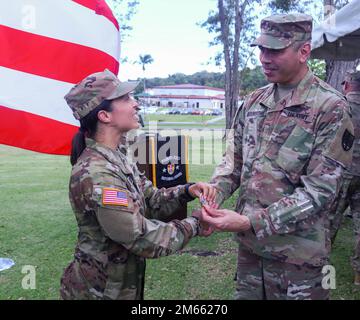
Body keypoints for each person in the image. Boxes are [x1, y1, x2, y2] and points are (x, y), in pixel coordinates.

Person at [199, 13, 355, 300]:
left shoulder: (330, 107)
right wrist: (213, 195)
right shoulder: (254, 102)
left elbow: (320, 192)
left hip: (299, 258)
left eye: (275, 50)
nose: (264, 58)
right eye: (261, 49)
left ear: (304, 51)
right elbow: (233, 162)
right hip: (251, 252)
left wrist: (251, 222)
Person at [60, 69, 215, 300]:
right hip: (99, 292)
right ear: (104, 116)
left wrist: (186, 191)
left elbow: (150, 199)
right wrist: (194, 224)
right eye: (125, 99)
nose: (136, 104)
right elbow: (141, 237)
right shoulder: (97, 173)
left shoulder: (118, 156)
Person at [331, 70, 360, 285]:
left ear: (348, 85)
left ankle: (321, 267)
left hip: (341, 172)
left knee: (329, 221)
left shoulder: (339, 106)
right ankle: (358, 274)